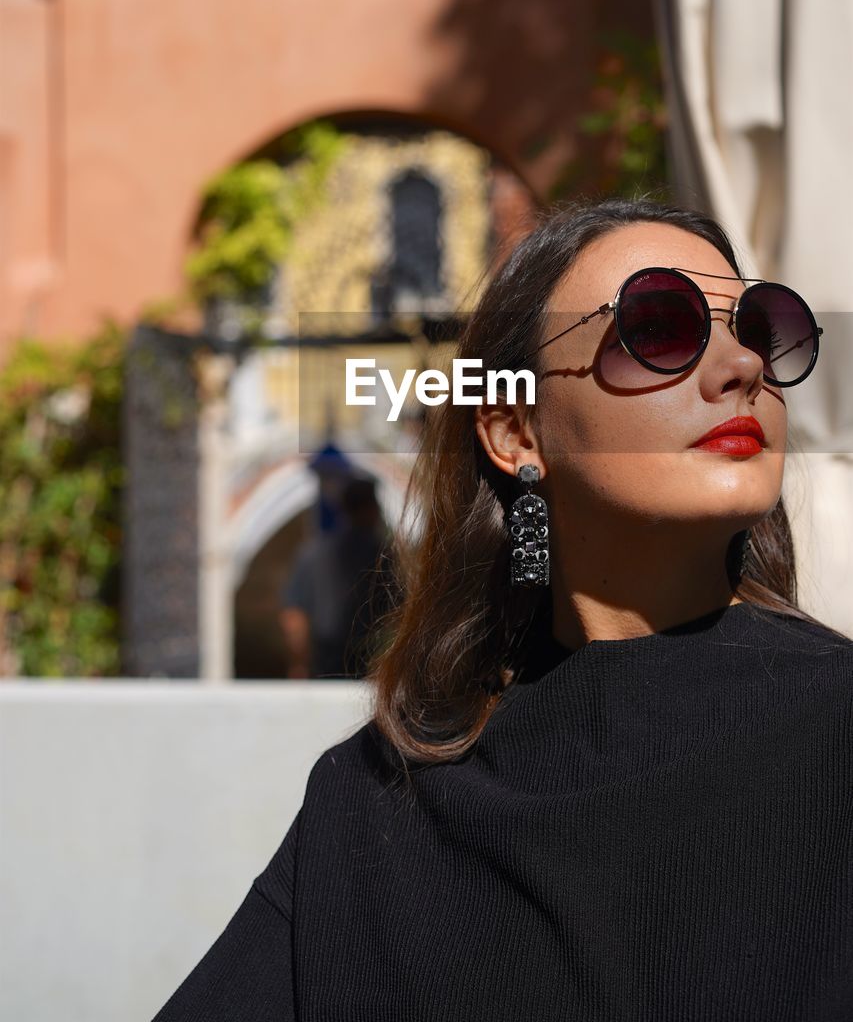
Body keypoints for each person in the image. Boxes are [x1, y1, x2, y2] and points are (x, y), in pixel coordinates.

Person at [151, 195, 852, 1021]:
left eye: (758, 329)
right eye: (660, 326)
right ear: (517, 431)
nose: (742, 367)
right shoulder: (375, 803)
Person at [278, 475, 392, 679]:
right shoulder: (382, 556)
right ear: (371, 508)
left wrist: (299, 665)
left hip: (323, 669)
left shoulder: (312, 552)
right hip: (370, 670)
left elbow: (293, 618)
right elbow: (397, 616)